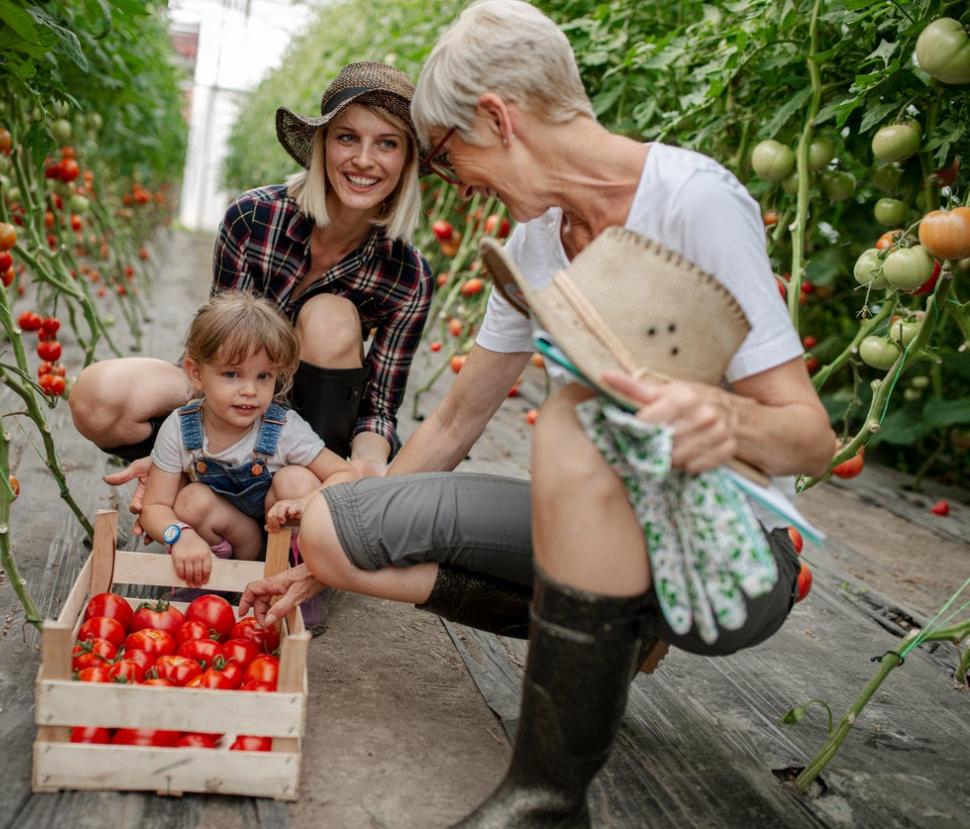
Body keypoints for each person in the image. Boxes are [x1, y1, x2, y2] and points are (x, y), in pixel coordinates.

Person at [239, 1, 838, 825]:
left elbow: (810, 436)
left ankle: (545, 799)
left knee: (576, 424)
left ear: (498, 119)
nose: (457, 183)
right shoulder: (533, 247)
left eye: (447, 158)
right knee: (335, 528)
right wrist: (330, 541)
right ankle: (612, 634)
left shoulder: (692, 201)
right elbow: (453, 420)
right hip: (602, 522)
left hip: (727, 549)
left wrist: (722, 422)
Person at [71, 61, 432, 510]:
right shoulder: (255, 218)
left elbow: (378, 408)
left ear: (407, 161)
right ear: (322, 146)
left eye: (387, 143)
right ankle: (200, 480)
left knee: (329, 316)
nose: (363, 159)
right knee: (99, 396)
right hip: (234, 391)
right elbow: (218, 342)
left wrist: (363, 467)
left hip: (310, 440)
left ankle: (293, 502)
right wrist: (174, 450)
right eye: (347, 137)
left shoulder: (407, 275)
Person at [139, 292, 356, 589]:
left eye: (264, 376)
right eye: (232, 374)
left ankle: (296, 573)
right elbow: (154, 507)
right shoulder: (181, 427)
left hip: (277, 536)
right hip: (234, 535)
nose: (250, 390)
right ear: (196, 374)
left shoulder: (283, 429)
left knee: (297, 480)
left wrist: (306, 502)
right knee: (190, 501)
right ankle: (211, 575)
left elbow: (345, 474)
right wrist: (180, 534)